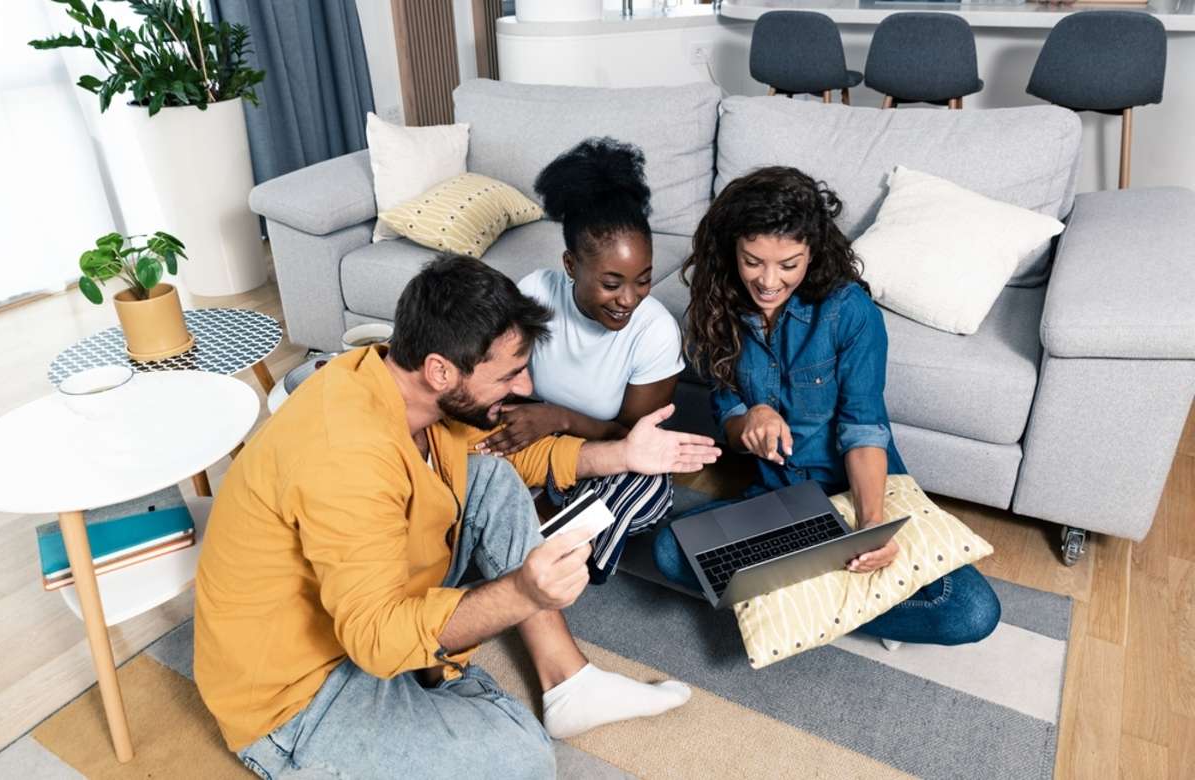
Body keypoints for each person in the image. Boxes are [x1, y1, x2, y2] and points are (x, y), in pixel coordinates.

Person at [195, 254, 720, 778]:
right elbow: (375, 638)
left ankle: (567, 681)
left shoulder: (402, 385)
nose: (525, 388)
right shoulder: (345, 455)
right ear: (440, 370)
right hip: (298, 692)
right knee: (522, 761)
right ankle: (427, 687)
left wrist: (623, 456)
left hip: (368, 612)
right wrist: (522, 592)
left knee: (488, 477)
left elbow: (507, 454)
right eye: (510, 374)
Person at [652, 167, 1000, 646]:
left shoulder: (849, 311)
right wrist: (747, 419)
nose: (768, 281)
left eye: (788, 265)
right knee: (671, 552)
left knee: (971, 612)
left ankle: (798, 603)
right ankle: (845, 600)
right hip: (782, 502)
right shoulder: (717, 305)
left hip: (854, 492)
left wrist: (873, 523)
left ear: (812, 253)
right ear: (733, 249)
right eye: (753, 261)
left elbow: (864, 429)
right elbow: (727, 409)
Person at [476, 138, 684, 561]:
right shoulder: (535, 294)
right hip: (533, 445)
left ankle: (533, 543)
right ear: (571, 265)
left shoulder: (656, 331)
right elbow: (494, 374)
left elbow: (632, 438)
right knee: (472, 452)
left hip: (604, 456)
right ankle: (544, 545)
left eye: (642, 280)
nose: (629, 298)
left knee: (649, 486)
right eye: (612, 284)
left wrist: (559, 417)